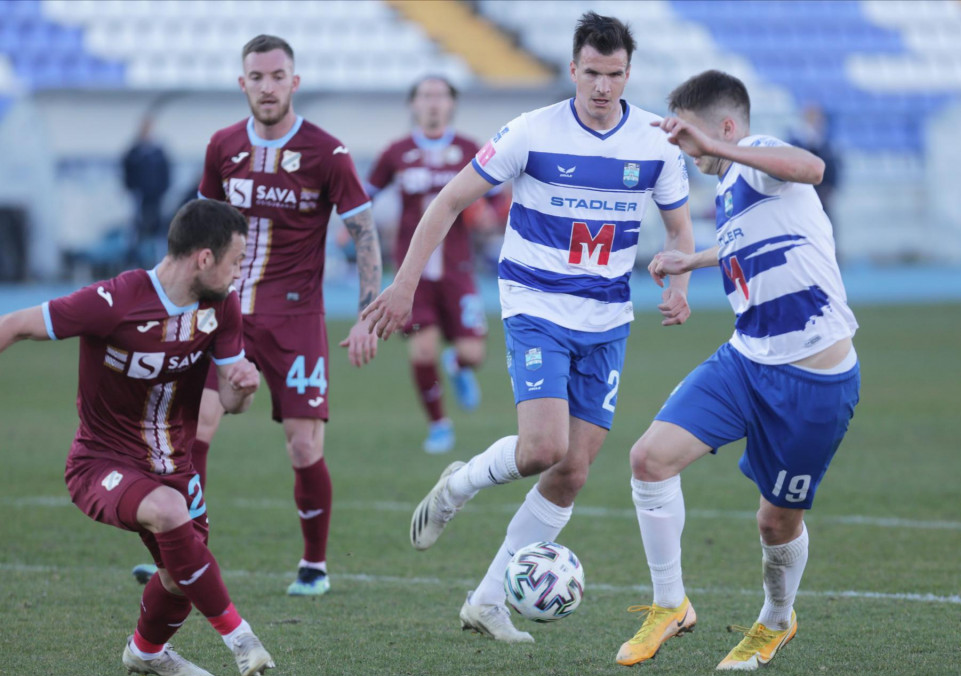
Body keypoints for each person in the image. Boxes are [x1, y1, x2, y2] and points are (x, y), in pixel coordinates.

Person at [363, 12, 694, 643]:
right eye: (591, 73)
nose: (602, 86)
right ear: (572, 69)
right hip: (536, 306)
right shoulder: (532, 132)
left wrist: (678, 286)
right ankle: (458, 484)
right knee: (543, 447)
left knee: (572, 471)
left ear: (629, 73)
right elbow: (448, 201)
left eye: (614, 74)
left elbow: (680, 231)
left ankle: (487, 600)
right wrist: (403, 285)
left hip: (607, 321)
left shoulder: (654, 141)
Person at [614, 70, 860, 670]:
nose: (685, 151)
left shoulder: (751, 155)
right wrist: (689, 260)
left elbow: (813, 169)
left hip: (814, 380)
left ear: (724, 128)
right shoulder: (730, 184)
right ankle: (670, 604)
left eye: (688, 137)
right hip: (746, 361)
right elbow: (746, 242)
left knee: (776, 522)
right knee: (648, 458)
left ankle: (777, 619)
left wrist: (719, 148)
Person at [0, 199, 275, 676]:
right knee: (170, 513)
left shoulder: (221, 306)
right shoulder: (113, 301)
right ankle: (242, 640)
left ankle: (146, 653)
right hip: (99, 462)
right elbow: (15, 325)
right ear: (204, 259)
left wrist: (243, 385)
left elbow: (233, 403)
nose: (240, 273)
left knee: (180, 577)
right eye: (235, 261)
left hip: (175, 466)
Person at [148, 35, 382, 597]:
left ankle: (315, 565)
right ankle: (184, 553)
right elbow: (196, 233)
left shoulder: (329, 152)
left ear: (294, 82)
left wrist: (368, 313)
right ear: (243, 83)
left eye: (278, 76)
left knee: (304, 445)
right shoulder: (222, 146)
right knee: (191, 431)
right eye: (258, 77)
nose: (268, 86)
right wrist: (159, 298)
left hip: (297, 320)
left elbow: (364, 232)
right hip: (220, 316)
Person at [366, 75, 496, 454]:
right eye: (425, 96)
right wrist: (350, 227)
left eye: (440, 96)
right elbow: (365, 194)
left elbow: (498, 197)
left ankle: (456, 364)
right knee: (421, 349)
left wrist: (488, 213)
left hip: (458, 269)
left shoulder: (471, 149)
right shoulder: (397, 152)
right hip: (414, 273)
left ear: (452, 104)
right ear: (413, 105)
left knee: (474, 353)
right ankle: (439, 425)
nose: (433, 103)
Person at [122, 113, 172, 267]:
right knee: (137, 230)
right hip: (139, 198)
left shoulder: (158, 153)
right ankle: (135, 261)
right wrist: (132, 190)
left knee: (158, 229)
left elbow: (167, 174)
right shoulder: (133, 153)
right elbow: (126, 173)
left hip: (156, 198)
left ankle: (159, 260)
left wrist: (162, 191)